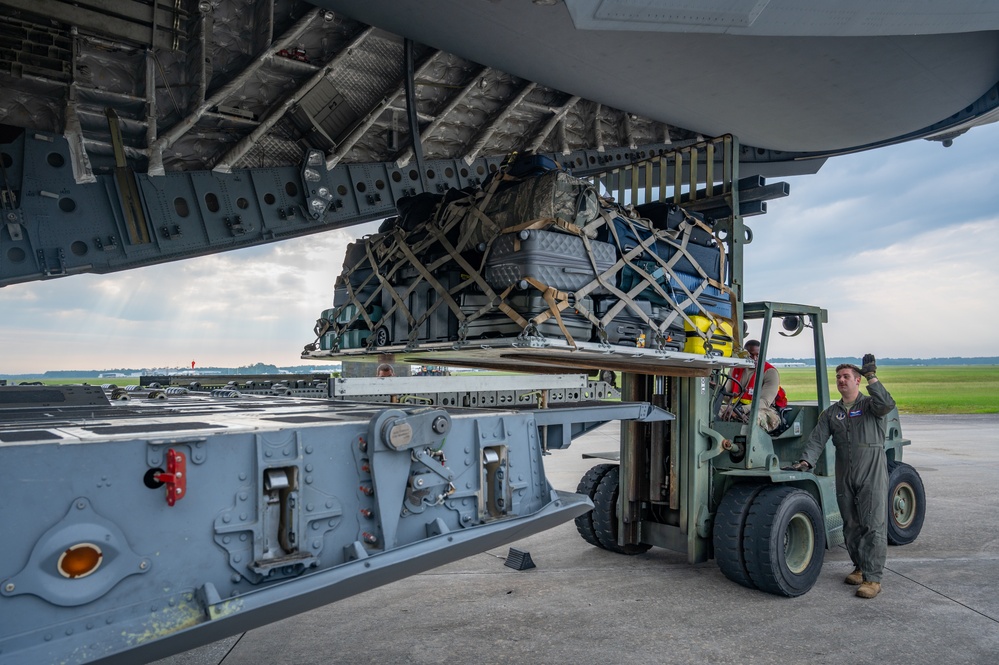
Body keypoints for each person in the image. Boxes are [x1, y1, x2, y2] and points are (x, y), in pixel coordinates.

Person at [790, 354, 894, 600]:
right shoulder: (831, 413)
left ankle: (873, 579)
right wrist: (807, 461)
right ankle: (859, 567)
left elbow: (887, 404)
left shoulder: (870, 406)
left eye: (846, 376)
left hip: (872, 470)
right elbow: (817, 438)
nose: (841, 380)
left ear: (857, 381)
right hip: (845, 471)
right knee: (851, 524)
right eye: (838, 377)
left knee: (873, 525)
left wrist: (873, 378)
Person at [720, 339, 787, 430]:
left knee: (753, 419)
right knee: (714, 412)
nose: (755, 359)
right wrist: (717, 389)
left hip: (765, 410)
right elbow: (726, 394)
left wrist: (740, 410)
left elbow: (764, 402)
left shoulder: (770, 372)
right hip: (737, 407)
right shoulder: (735, 369)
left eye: (758, 355)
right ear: (744, 355)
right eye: (751, 355)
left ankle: (747, 443)